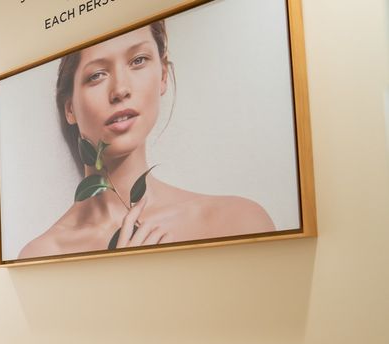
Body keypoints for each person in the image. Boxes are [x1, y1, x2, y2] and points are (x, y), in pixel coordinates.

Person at [18, 21, 274, 259]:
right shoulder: (41, 254)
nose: (120, 90)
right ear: (70, 108)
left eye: (138, 60)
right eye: (97, 75)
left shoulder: (238, 221)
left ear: (163, 76)